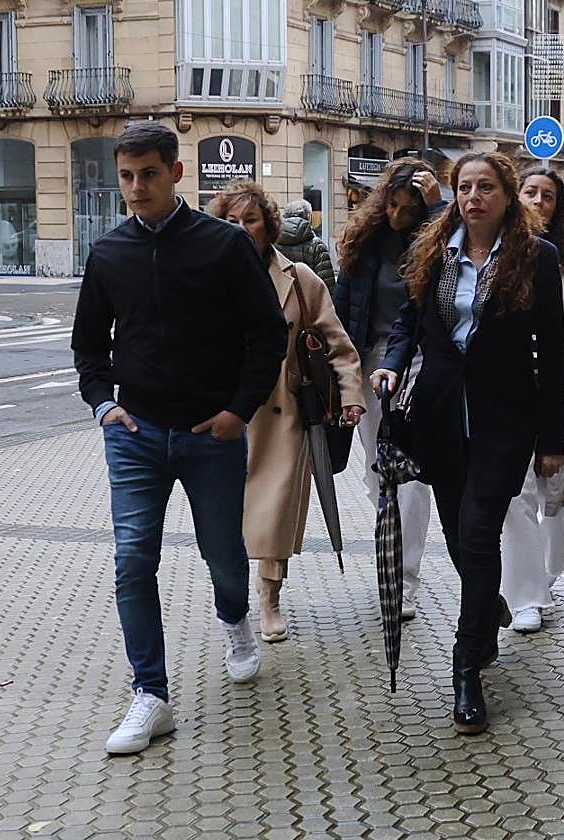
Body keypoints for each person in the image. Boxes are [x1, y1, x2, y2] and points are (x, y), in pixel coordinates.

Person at [71, 122, 287, 755]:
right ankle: (151, 695)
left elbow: (266, 336)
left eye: (149, 174)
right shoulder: (108, 252)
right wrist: (103, 406)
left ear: (176, 173)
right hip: (135, 434)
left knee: (223, 551)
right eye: (127, 176)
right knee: (133, 559)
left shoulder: (224, 246)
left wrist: (237, 412)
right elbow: (89, 345)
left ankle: (234, 619)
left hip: (210, 433)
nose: (136, 188)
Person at [370, 151, 564, 735]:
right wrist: (393, 365)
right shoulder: (433, 250)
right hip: (438, 414)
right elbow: (409, 322)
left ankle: (466, 666)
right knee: (461, 541)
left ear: (506, 195)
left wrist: (551, 438)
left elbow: (553, 352)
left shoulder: (538, 256)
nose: (473, 196)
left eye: (485, 187)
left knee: (480, 532)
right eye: (464, 187)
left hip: (504, 418)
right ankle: (487, 612)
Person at [208, 180, 365, 644]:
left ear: (268, 226)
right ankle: (233, 598)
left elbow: (338, 345)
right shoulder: (204, 275)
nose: (240, 229)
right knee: (226, 514)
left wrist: (351, 395)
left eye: (250, 220)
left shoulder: (298, 278)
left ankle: (269, 597)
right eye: (231, 221)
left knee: (275, 512)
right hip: (224, 409)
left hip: (284, 410)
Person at [333, 158, 446, 620]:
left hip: (418, 362)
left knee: (410, 474)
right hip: (367, 362)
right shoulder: (365, 243)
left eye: (409, 208)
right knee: (378, 473)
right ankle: (392, 558)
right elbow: (340, 310)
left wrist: (440, 208)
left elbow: (462, 254)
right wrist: (338, 378)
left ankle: (404, 582)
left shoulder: (435, 241)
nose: (398, 215)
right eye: (393, 205)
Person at [500, 166, 564, 633]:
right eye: (530, 192)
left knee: (555, 501)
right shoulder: (500, 254)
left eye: (548, 196)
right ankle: (526, 595)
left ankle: (546, 577)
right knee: (517, 497)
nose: (538, 201)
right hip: (513, 394)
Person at [275, 199, 336, 289]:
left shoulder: (273, 243)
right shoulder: (317, 246)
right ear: (308, 216)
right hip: (310, 301)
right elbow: (327, 286)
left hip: (280, 301)